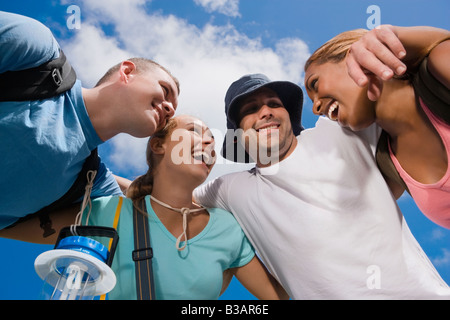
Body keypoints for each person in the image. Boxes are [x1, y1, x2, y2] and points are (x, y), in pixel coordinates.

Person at [193, 71, 450, 299]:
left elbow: (398, 92)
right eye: (251, 109)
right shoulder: (230, 190)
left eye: (274, 103)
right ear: (237, 136)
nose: (266, 111)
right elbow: (167, 198)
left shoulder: (338, 132)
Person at [1, 115, 289, 300]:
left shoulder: (226, 228)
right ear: (158, 146)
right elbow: (8, 226)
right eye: (194, 131)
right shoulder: (105, 212)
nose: (209, 143)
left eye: (212, 142)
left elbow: (277, 298)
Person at [0, 11, 179, 234]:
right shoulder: (36, 52)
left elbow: (154, 211)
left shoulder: (93, 183)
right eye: (165, 90)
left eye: (172, 113)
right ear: (127, 71)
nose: (170, 109)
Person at [304, 25, 450, 228]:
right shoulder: (387, 164)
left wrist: (398, 39)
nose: (316, 107)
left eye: (315, 84)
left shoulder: (438, 73)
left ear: (351, 55)